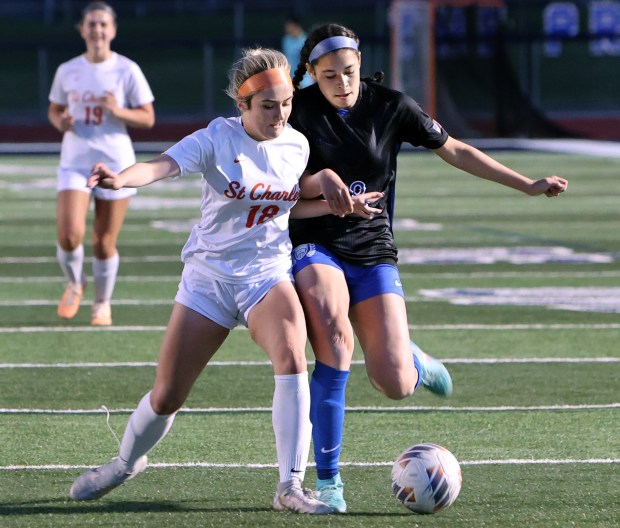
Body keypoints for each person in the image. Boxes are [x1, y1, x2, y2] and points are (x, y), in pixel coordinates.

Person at [67, 47, 379, 514]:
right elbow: (159, 166)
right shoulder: (215, 139)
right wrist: (120, 180)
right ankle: (125, 463)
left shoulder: (296, 144)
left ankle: (289, 486)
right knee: (168, 394)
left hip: (265, 274)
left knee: (293, 355)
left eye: (287, 103)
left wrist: (338, 198)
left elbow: (289, 200)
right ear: (243, 104)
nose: (280, 114)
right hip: (209, 278)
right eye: (268, 105)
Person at [288, 23, 569, 513]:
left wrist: (526, 184)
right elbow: (281, 188)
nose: (342, 83)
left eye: (349, 73)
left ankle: (411, 359)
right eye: (329, 75)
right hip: (315, 243)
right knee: (334, 339)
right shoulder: (297, 112)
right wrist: (322, 187)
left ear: (360, 66)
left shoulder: (391, 105)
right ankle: (329, 483)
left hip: (373, 246)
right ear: (311, 74)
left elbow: (455, 150)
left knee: (394, 382)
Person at [48, 1, 155, 326]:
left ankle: (101, 303)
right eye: (91, 24)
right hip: (75, 161)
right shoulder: (67, 70)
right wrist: (61, 122)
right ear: (82, 29)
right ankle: (76, 281)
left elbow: (148, 117)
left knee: (103, 241)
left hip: (114, 164)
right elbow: (54, 110)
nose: (97, 30)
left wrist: (118, 110)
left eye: (103, 24)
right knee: (69, 235)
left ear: (113, 30)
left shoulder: (127, 69)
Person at [282, 16, 313, 88]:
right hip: (290, 80)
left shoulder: (306, 40)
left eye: (288, 26)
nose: (286, 29)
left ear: (296, 26)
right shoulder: (286, 40)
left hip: (305, 81)